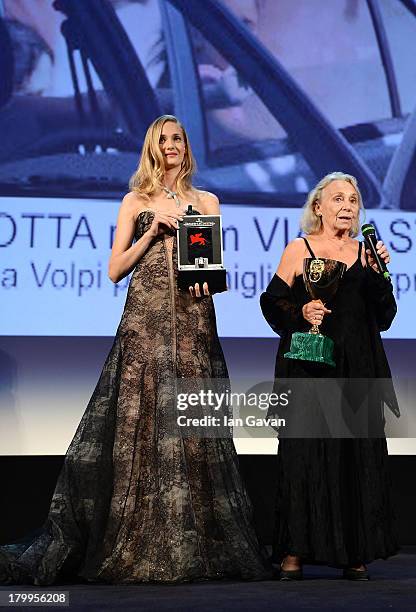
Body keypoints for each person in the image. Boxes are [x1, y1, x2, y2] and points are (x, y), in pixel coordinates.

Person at [0, 115, 268, 584]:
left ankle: (198, 544)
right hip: (145, 325)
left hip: (193, 323)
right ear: (151, 148)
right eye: (163, 139)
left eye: (178, 138)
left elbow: (210, 267)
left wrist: (208, 282)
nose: (171, 145)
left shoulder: (208, 202)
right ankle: (141, 541)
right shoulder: (135, 201)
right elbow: (114, 268)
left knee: (191, 429)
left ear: (187, 147)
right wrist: (152, 230)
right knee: (141, 428)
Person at [260, 171, 399, 580]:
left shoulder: (365, 254)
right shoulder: (297, 249)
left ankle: (353, 551)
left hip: (356, 368)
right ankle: (294, 552)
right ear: (318, 207)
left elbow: (386, 317)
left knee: (353, 460)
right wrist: (300, 312)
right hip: (308, 368)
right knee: (304, 457)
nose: (347, 207)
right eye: (338, 198)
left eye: (353, 201)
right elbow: (272, 303)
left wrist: (377, 273)